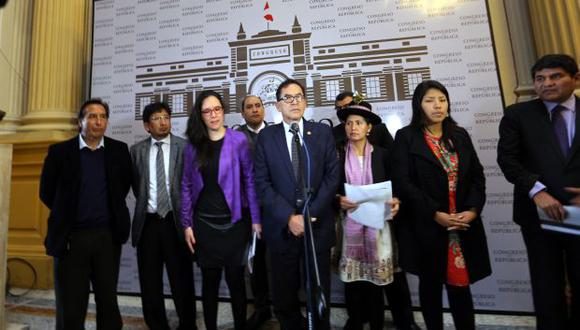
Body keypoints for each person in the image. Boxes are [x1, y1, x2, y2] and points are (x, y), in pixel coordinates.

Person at [392, 80, 491, 330]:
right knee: (431, 287)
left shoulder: (459, 134)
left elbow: (477, 177)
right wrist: (435, 213)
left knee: (461, 287)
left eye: (442, 99)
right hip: (428, 226)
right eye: (430, 100)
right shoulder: (406, 137)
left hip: (461, 226)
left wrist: (472, 210)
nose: (437, 105)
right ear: (419, 105)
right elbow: (403, 183)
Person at [497, 54, 580, 330]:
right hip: (539, 214)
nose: (547, 83)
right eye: (540, 78)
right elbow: (508, 160)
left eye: (556, 76)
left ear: (575, 79)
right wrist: (537, 191)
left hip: (579, 212)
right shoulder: (517, 115)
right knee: (547, 288)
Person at [39, 98, 132, 329]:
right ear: (80, 121)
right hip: (72, 239)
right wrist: (66, 213)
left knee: (108, 301)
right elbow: (46, 191)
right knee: (71, 304)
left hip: (106, 238)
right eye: (92, 116)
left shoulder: (118, 150)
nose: (98, 121)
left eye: (102, 117)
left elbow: (123, 186)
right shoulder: (60, 152)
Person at [254, 79, 339, 330]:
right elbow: (261, 182)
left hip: (317, 225)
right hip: (282, 228)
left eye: (299, 96)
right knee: (284, 293)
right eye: (288, 98)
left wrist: (309, 213)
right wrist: (289, 217)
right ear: (277, 105)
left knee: (318, 289)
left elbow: (332, 176)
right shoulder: (266, 137)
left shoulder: (322, 133)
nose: (295, 102)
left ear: (305, 101)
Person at [181, 90, 261, 330]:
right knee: (209, 282)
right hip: (204, 225)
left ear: (223, 111)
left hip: (235, 223)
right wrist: (187, 224)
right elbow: (185, 185)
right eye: (207, 111)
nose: (213, 115)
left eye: (217, 109)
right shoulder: (193, 145)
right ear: (200, 115)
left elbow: (249, 180)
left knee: (236, 281)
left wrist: (255, 219)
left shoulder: (238, 140)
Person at [335, 100, 419, 330]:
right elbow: (331, 188)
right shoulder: (338, 156)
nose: (353, 127)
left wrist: (396, 201)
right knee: (354, 282)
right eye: (349, 123)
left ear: (369, 128)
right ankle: (356, 321)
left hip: (379, 228)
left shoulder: (383, 155)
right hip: (350, 227)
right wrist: (337, 200)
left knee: (377, 282)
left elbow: (398, 186)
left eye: (359, 123)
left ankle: (378, 323)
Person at [130, 102, 196, 329]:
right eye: (157, 118)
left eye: (166, 117)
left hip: (176, 223)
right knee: (150, 281)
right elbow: (136, 185)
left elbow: (191, 185)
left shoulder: (185, 147)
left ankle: (187, 324)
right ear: (147, 126)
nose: (162, 121)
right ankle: (157, 325)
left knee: (182, 279)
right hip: (148, 224)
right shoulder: (136, 150)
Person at [236, 95, 272, 329]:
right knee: (256, 262)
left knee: (284, 259)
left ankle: (286, 307)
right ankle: (262, 308)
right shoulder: (235, 137)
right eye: (249, 107)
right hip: (249, 210)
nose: (254, 110)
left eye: (258, 105)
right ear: (243, 113)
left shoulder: (278, 132)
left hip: (278, 208)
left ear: (264, 110)